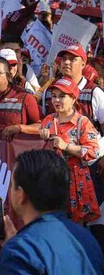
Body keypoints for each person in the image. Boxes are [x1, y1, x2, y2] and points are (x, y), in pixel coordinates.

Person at [0, 149, 104, 275]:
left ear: (22, 195)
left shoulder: (19, 252)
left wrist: (16, 246)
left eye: (12, 185)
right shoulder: (87, 239)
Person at [38, 77, 101, 224]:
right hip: (52, 180)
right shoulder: (48, 120)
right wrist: (42, 137)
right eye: (54, 96)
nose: (56, 100)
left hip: (76, 180)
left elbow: (94, 152)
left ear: (73, 98)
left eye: (62, 96)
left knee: (76, 229)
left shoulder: (82, 122)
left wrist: (67, 147)